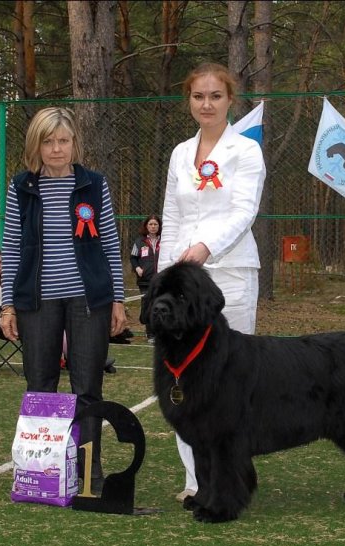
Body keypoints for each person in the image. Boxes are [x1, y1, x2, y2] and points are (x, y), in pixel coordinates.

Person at [0, 106, 126, 496]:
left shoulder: (94, 184)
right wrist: (8, 304)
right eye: (48, 141)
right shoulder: (20, 186)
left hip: (89, 301)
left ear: (74, 143)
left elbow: (108, 241)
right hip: (36, 302)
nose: (56, 149)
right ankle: (44, 474)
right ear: (36, 145)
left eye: (63, 141)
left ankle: (90, 477)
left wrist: (117, 299)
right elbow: (11, 245)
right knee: (40, 385)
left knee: (88, 388)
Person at [157, 62, 266, 502]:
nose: (206, 104)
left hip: (231, 274)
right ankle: (196, 481)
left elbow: (244, 211)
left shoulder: (246, 151)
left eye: (215, 96)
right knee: (181, 383)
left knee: (228, 386)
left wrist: (205, 248)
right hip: (182, 286)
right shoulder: (180, 153)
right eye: (198, 96)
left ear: (229, 100)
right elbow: (170, 214)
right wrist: (164, 282)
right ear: (189, 100)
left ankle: (231, 477)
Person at [130, 214, 161, 342]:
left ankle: (161, 333)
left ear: (159, 226)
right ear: (146, 226)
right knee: (149, 306)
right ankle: (150, 334)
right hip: (145, 281)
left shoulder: (165, 240)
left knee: (160, 305)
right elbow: (133, 258)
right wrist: (137, 268)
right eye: (151, 224)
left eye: (155, 224)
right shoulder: (139, 242)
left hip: (162, 281)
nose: (153, 227)